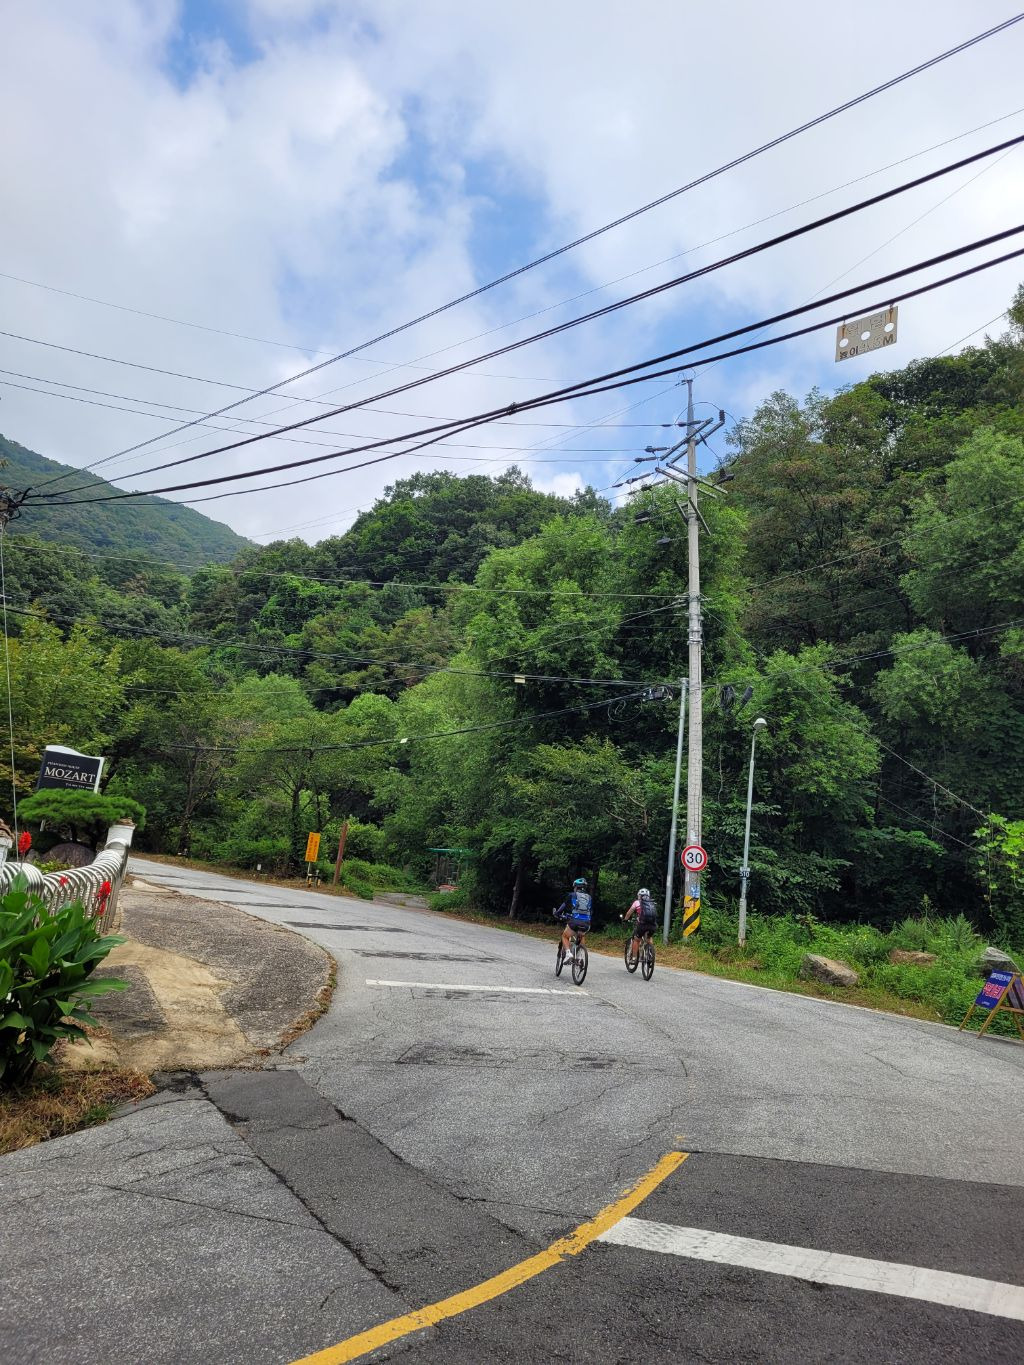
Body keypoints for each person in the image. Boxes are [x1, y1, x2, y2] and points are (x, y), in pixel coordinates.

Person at [554, 876, 592, 956]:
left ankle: (568, 954)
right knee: (582, 935)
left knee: (564, 936)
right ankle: (579, 955)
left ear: (576, 887)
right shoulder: (589, 897)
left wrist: (557, 913)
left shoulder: (572, 895)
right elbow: (590, 911)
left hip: (575, 921)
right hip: (587, 923)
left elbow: (564, 906)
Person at [623, 887, 658, 961]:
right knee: (649, 937)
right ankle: (650, 954)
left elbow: (629, 912)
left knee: (636, 939)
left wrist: (625, 919)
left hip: (642, 924)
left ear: (639, 896)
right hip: (653, 925)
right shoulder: (652, 903)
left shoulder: (637, 902)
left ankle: (634, 958)